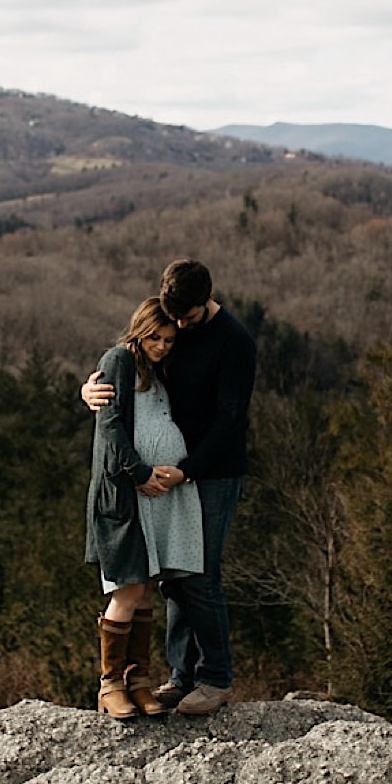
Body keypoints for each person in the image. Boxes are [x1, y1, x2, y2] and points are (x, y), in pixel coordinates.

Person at [83, 259, 256, 716]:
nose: (177, 328)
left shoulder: (234, 342)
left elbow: (230, 420)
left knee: (199, 576)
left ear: (206, 301)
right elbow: (125, 370)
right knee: (173, 578)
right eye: (170, 319)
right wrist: (88, 391)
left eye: (186, 319)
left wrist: (187, 470)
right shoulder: (169, 326)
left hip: (211, 472)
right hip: (167, 479)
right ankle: (180, 675)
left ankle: (214, 678)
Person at [84, 297, 204, 721]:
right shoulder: (119, 359)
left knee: (145, 588)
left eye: (169, 339)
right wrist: (138, 472)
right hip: (123, 494)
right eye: (154, 337)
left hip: (149, 499)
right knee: (127, 588)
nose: (162, 345)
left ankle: (139, 680)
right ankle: (110, 684)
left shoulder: (156, 370)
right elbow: (110, 423)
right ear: (138, 331)